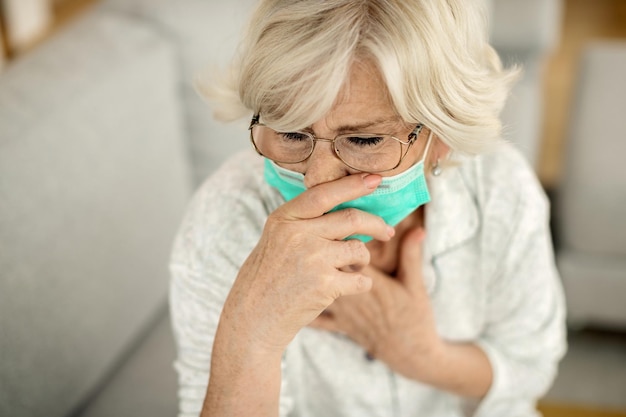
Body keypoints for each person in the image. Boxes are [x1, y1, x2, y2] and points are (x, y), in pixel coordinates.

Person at [169, 1, 567, 416]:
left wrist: (422, 356)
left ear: (443, 134)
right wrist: (253, 331)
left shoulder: (500, 187)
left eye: (364, 141)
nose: (317, 180)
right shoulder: (223, 217)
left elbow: (531, 365)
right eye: (291, 132)